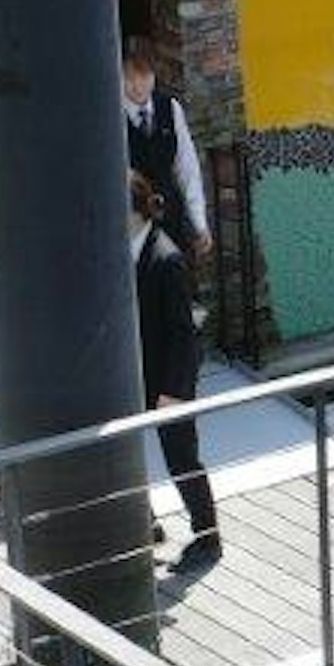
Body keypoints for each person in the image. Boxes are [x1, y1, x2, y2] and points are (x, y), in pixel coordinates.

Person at [132, 170, 220, 575]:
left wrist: (173, 389)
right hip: (137, 370)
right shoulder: (128, 248)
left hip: (166, 375)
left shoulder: (165, 259)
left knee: (182, 458)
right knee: (126, 452)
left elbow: (184, 332)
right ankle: (146, 525)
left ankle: (208, 537)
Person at [120, 35, 208, 271]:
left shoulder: (169, 108)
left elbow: (186, 166)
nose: (137, 85)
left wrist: (199, 221)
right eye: (128, 77)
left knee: (175, 283)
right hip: (131, 223)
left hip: (170, 216)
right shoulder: (109, 116)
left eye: (144, 76)